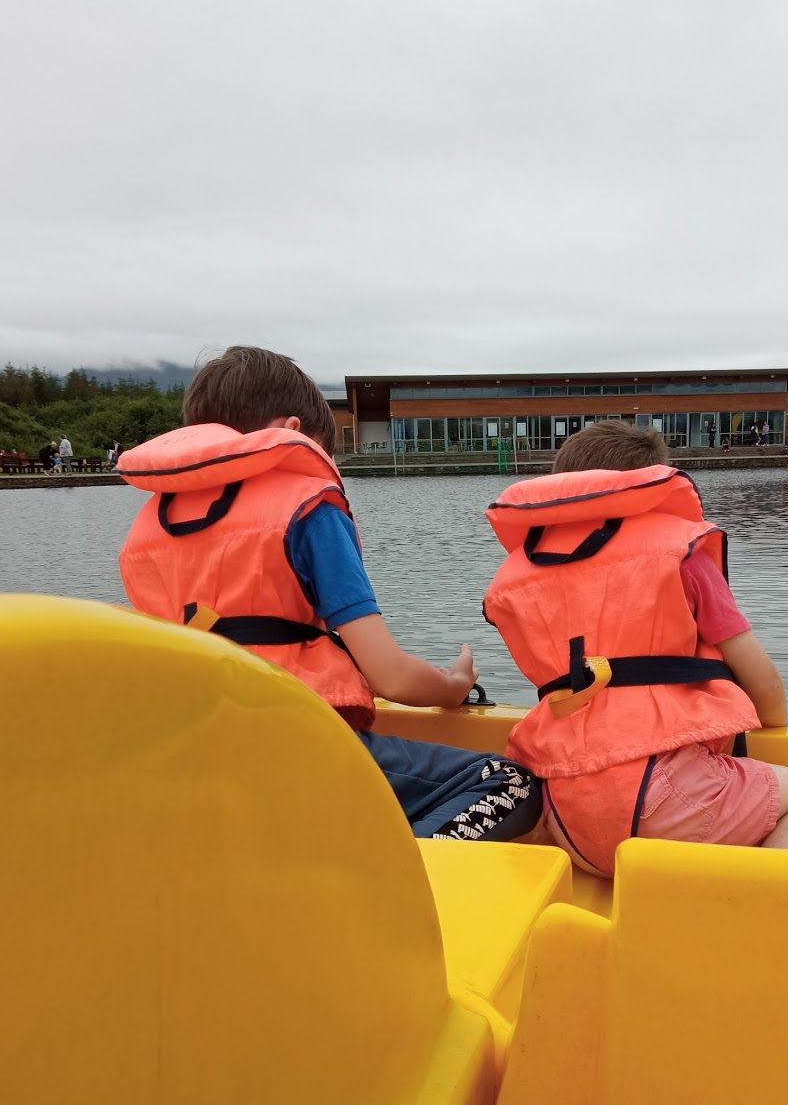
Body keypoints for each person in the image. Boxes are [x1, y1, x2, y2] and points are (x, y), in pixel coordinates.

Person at [118, 346, 540, 842]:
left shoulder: (145, 534)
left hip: (192, 759)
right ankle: (402, 884)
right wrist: (451, 684)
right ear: (292, 433)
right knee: (510, 784)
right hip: (294, 748)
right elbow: (390, 675)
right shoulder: (307, 509)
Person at [482, 420, 788, 877]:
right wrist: (773, 732)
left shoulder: (523, 576)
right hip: (664, 800)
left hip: (569, 820)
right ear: (651, 485)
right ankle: (759, 913)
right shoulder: (679, 554)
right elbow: (761, 677)